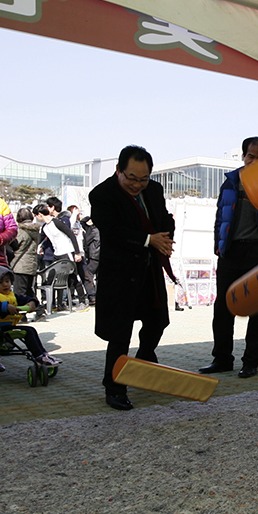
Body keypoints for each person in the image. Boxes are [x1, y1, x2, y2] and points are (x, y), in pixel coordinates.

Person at [89, 145, 175, 411]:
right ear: (119, 170)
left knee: (157, 323)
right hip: (121, 275)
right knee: (120, 334)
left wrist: (164, 237)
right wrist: (149, 240)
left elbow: (165, 219)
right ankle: (115, 388)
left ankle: (144, 361)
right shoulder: (102, 194)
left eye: (143, 179)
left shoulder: (154, 190)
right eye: (132, 178)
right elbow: (113, 231)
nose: (137, 185)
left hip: (149, 271)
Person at [200, 137, 258, 379]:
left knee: (257, 309)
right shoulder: (230, 183)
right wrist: (219, 246)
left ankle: (251, 362)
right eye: (251, 156)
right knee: (223, 308)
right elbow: (220, 218)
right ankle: (222, 359)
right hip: (231, 253)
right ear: (243, 156)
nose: (255, 161)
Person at [0, 264, 60, 368]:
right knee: (28, 331)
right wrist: (5, 307)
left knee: (31, 330)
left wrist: (32, 302)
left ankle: (43, 354)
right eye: (1, 282)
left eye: (7, 281)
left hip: (3, 327)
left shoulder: (8, 294)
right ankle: (39, 356)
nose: (6, 285)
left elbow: (22, 298)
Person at [8, 207, 43, 318]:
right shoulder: (35, 231)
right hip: (31, 264)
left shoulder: (21, 231)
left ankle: (21, 315)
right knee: (29, 290)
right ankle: (40, 310)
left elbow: (15, 245)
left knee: (19, 292)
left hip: (20, 265)